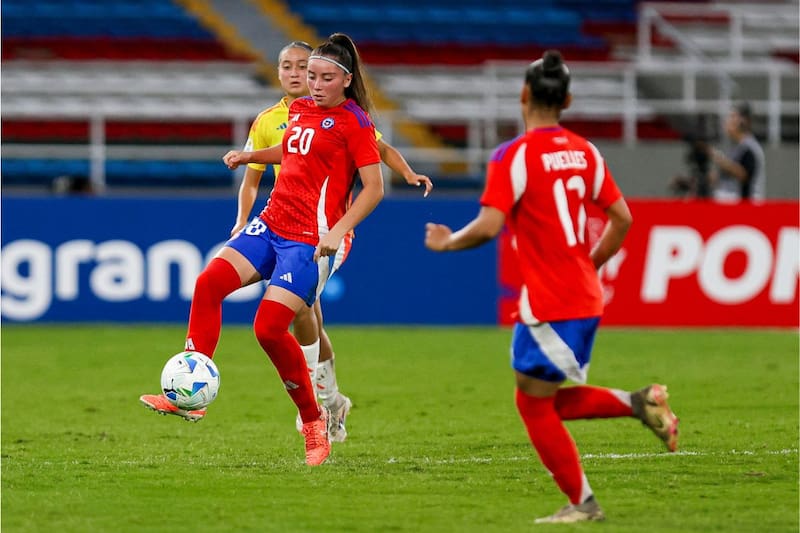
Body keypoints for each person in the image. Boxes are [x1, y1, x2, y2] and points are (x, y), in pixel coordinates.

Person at [424, 50, 679, 523]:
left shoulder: (513, 156)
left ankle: (584, 503)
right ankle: (639, 403)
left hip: (552, 302)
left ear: (523, 95)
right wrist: (589, 264)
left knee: (533, 404)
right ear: (568, 99)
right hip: (581, 295)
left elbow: (487, 226)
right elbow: (623, 218)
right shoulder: (585, 151)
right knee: (535, 397)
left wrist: (447, 244)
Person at [140, 33, 386, 466]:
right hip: (272, 221)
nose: (314, 84)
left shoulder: (356, 123)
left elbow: (374, 189)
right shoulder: (304, 111)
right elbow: (293, 150)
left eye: (325, 77)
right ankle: (191, 394)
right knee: (208, 282)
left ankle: (314, 421)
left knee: (268, 328)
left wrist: (339, 231)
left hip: (314, 237)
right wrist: (249, 155)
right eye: (311, 75)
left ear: (346, 80)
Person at [231, 40, 432, 443]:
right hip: (283, 226)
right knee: (308, 312)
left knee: (300, 309)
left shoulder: (340, 114)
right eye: (287, 66)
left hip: (321, 230)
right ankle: (331, 400)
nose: (295, 74)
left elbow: (377, 148)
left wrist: (408, 173)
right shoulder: (270, 119)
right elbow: (254, 174)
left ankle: (318, 401)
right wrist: (241, 221)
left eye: (302, 66)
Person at [709, 101, 766, 202]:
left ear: (743, 121)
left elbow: (743, 175)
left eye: (732, 116)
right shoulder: (738, 147)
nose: (727, 121)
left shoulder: (749, 147)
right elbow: (723, 177)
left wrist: (721, 160)